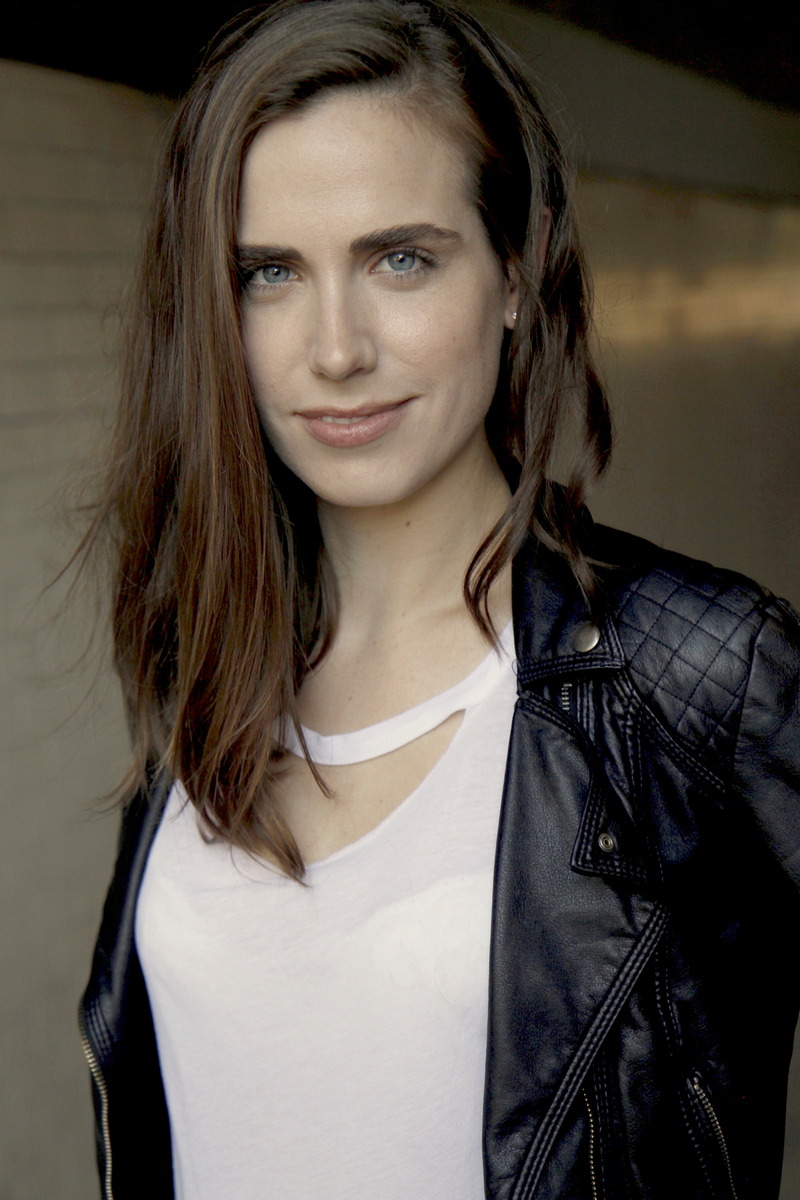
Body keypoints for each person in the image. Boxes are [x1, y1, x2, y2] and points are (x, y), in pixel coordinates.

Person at [78, 1, 800, 1197]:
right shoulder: (205, 655)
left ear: (515, 270)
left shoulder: (700, 676)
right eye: (268, 273)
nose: (335, 348)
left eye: (400, 259)